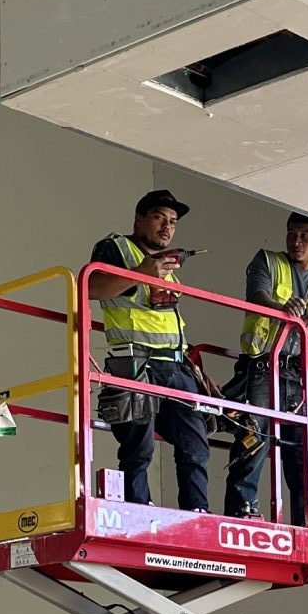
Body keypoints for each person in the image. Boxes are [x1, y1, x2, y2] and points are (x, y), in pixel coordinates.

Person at [88, 190, 210, 511]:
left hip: (176, 367)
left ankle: (197, 511)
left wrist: (193, 365)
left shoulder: (167, 268)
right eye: (159, 217)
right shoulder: (116, 247)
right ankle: (138, 507)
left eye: (173, 222)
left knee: (195, 443)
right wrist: (140, 273)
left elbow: (168, 323)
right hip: (135, 362)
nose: (167, 227)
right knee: (138, 447)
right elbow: (91, 287)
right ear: (139, 219)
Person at [223, 213, 308, 528]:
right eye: (291, 233)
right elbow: (257, 296)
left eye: (305, 235)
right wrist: (282, 309)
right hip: (262, 368)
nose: (296, 241)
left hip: (302, 377)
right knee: (253, 442)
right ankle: (241, 515)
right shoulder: (267, 261)